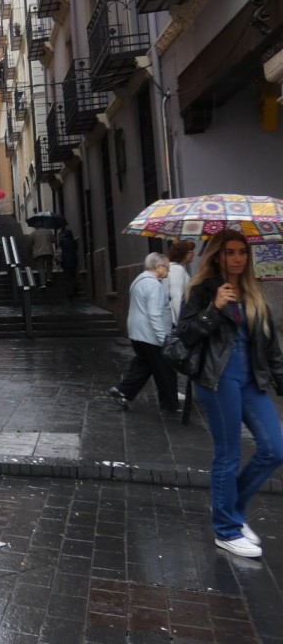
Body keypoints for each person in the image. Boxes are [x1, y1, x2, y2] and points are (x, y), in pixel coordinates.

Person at [176, 229, 283, 559]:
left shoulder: (253, 291)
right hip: (218, 379)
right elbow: (186, 334)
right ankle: (226, 530)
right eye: (230, 252)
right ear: (216, 256)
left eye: (242, 252)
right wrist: (214, 308)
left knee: (274, 448)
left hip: (252, 378)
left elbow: (270, 344)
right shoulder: (200, 291)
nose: (237, 258)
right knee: (229, 454)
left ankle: (232, 511)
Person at [109, 253, 177, 412]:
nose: (168, 271)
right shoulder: (153, 285)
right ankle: (169, 404)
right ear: (158, 267)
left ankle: (123, 390)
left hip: (137, 333)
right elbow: (154, 314)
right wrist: (163, 338)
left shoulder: (139, 280)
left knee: (144, 365)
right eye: (167, 267)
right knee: (164, 369)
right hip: (150, 335)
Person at [164, 240, 195, 322]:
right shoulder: (177, 269)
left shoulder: (176, 267)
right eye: (191, 251)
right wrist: (181, 322)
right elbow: (177, 297)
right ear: (183, 253)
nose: (193, 254)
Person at [31, 224, 56, 289]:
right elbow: (54, 240)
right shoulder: (49, 231)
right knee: (49, 265)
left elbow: (30, 243)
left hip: (39, 253)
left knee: (41, 268)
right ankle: (49, 278)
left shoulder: (33, 233)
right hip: (48, 251)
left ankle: (43, 283)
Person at [59, 228, 79, 299]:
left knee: (68, 277)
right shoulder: (74, 242)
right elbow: (76, 249)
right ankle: (75, 286)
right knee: (73, 275)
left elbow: (60, 247)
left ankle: (70, 292)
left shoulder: (62, 241)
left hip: (65, 261)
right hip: (74, 260)